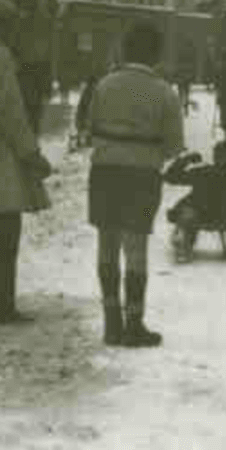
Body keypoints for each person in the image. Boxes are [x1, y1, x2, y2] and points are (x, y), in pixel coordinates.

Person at [86, 22, 185, 346]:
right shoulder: (165, 92)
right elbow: (173, 146)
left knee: (107, 244)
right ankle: (134, 323)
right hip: (142, 174)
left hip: (104, 170)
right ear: (155, 55)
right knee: (135, 247)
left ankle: (110, 322)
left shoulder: (104, 84)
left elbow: (89, 127)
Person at [0, 0, 52, 324]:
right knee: (4, 232)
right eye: (12, 23)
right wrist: (30, 153)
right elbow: (9, 111)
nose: (16, 28)